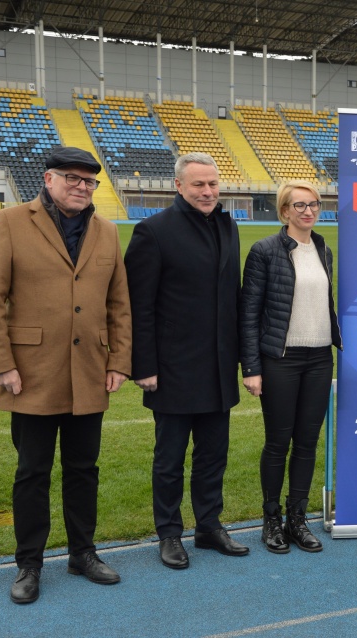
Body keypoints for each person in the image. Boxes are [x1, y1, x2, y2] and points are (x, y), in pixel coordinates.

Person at [0, 146, 132, 604]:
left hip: (89, 371)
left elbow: (119, 303)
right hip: (30, 373)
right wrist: (1, 363)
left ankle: (83, 553)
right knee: (32, 472)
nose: (81, 187)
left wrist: (119, 359)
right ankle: (29, 563)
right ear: (48, 179)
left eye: (89, 181)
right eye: (72, 178)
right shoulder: (8, 223)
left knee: (84, 469)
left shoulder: (106, 230)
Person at [125, 152, 249, 570]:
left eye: (213, 184)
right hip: (173, 368)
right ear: (178, 186)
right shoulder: (152, 232)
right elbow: (138, 306)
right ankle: (169, 533)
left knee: (214, 454)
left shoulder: (229, 226)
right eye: (199, 184)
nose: (208, 191)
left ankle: (209, 526)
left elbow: (233, 298)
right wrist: (143, 365)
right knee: (170, 459)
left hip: (218, 366)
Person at [242, 180, 342, 554]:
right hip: (280, 360)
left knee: (307, 442)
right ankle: (271, 520)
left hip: (318, 358)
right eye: (299, 205)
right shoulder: (264, 251)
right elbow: (249, 314)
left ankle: (297, 519)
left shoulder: (322, 249)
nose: (308, 211)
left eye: (313, 204)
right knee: (278, 441)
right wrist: (251, 368)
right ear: (284, 211)